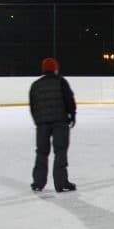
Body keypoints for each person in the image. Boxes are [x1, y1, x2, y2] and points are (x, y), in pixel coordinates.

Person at [29, 57, 77, 193]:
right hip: (60, 122)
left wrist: (38, 121)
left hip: (42, 124)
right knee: (60, 151)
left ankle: (38, 183)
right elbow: (69, 100)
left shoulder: (36, 85)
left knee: (41, 152)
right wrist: (72, 115)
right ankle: (61, 183)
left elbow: (33, 106)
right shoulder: (61, 81)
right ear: (55, 68)